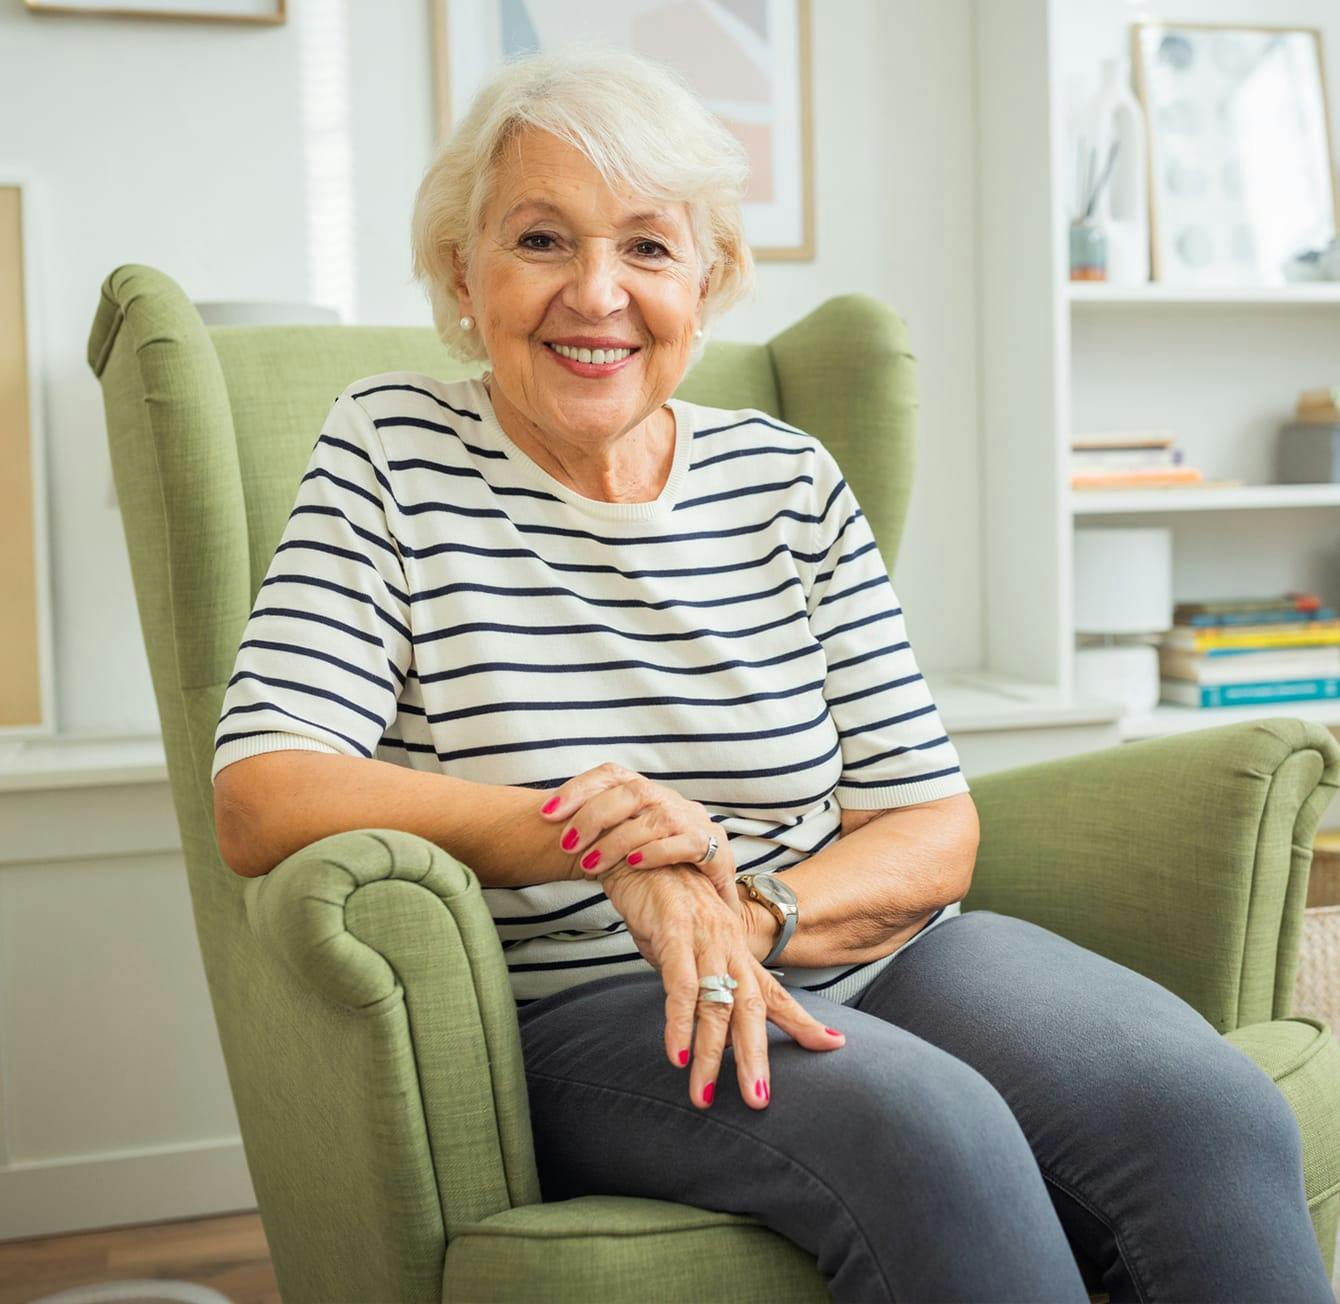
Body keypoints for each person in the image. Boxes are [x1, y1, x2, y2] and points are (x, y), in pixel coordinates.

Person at [210, 44, 1334, 1304]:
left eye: (646, 246)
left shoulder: (783, 478)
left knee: (1201, 1106)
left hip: (862, 943)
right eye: (540, 240)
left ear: (709, 278)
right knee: (930, 1132)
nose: (597, 293)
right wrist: (600, 841)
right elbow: (266, 789)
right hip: (586, 1001)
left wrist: (749, 916)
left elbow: (930, 823)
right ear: (459, 275)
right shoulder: (391, 450)